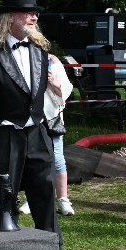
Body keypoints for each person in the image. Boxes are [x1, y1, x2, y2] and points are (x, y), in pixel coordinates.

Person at [0, 0, 78, 250]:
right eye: (28, 13)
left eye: (35, 13)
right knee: (4, 195)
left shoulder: (40, 52)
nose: (33, 18)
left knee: (44, 192)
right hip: (3, 134)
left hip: (36, 132)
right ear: (9, 17)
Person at [44, 52, 75, 216]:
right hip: (29, 118)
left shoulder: (52, 61)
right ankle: (33, 197)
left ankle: (63, 199)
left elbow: (65, 90)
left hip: (51, 118)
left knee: (57, 158)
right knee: (32, 160)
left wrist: (53, 83)